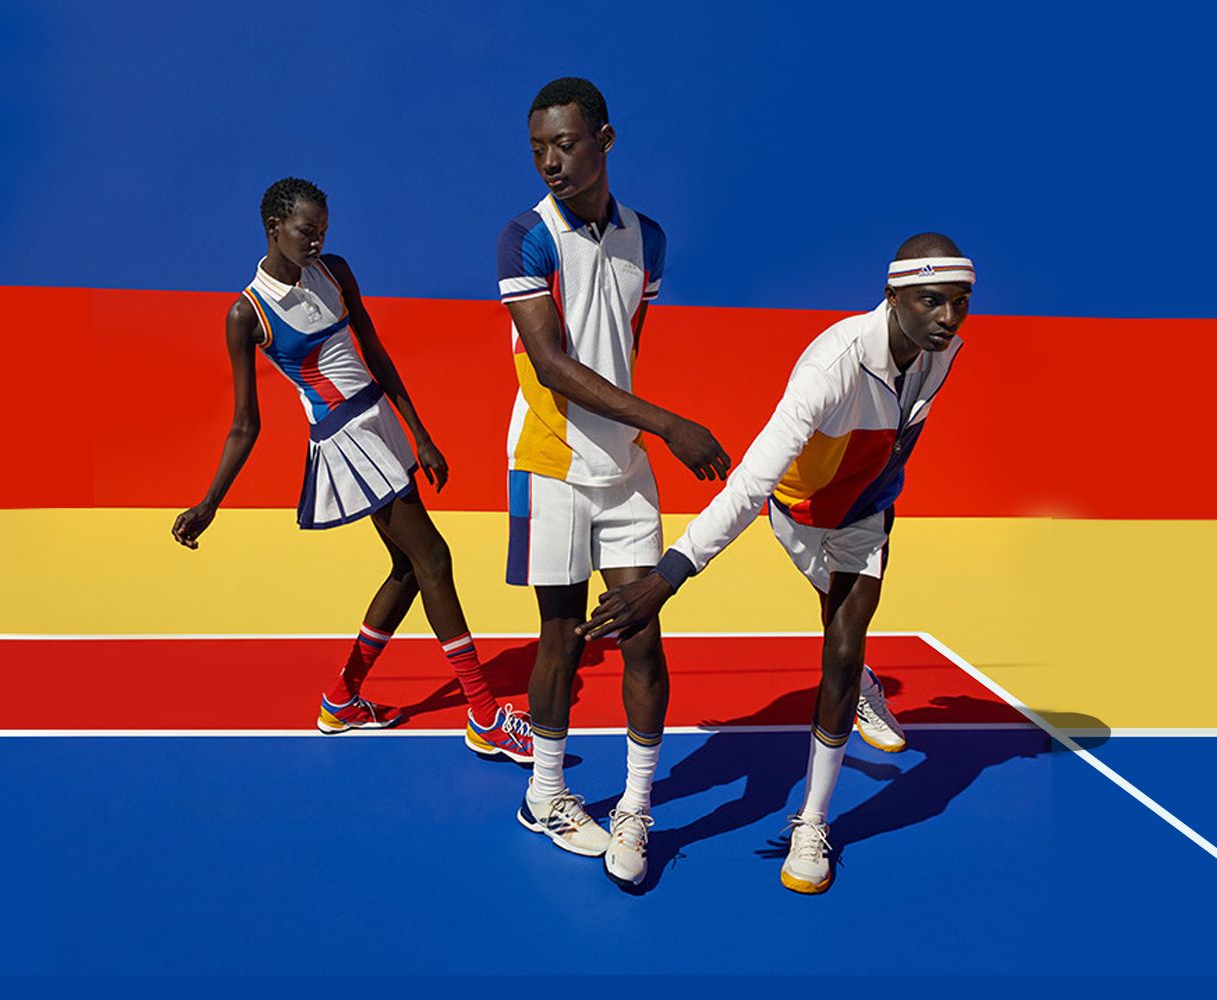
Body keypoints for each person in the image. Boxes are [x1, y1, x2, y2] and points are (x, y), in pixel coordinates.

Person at [577, 233, 975, 893]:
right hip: (798, 515)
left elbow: (896, 439)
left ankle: (812, 822)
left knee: (841, 649)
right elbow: (749, 485)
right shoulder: (831, 368)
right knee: (836, 631)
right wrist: (666, 577)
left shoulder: (941, 351)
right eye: (932, 301)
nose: (948, 317)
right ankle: (858, 682)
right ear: (892, 295)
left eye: (959, 302)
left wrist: (876, 499)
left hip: (865, 519)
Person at [172, 177, 531, 762]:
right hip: (346, 439)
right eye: (305, 230)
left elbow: (375, 352)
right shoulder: (247, 313)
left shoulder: (335, 271)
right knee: (435, 558)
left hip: (380, 420)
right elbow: (245, 424)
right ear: (274, 229)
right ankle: (484, 714)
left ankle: (341, 700)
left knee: (409, 569)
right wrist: (210, 502)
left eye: (323, 229)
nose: (317, 240)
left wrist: (420, 433)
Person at [498, 78, 730, 888]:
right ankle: (545, 794)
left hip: (624, 469)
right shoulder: (526, 238)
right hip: (552, 462)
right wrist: (668, 423)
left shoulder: (648, 240)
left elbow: (622, 341)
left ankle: (635, 807)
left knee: (643, 637)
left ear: (604, 140)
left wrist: (641, 431)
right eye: (538, 149)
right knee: (561, 636)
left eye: (565, 144)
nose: (550, 161)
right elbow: (553, 365)